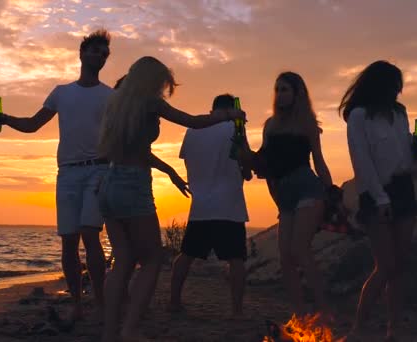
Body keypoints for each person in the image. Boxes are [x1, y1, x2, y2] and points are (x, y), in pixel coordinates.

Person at [97, 56, 245, 342]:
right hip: (133, 185)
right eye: (162, 84)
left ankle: (109, 333)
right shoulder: (150, 103)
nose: (163, 90)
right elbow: (192, 121)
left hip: (109, 184)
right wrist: (229, 115)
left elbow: (119, 151)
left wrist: (170, 171)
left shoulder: (115, 104)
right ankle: (129, 330)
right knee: (152, 259)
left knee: (124, 261)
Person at [0, 29, 112, 321]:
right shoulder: (62, 92)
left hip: (98, 169)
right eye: (94, 51)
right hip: (67, 173)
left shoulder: (111, 96)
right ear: (82, 54)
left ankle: (102, 302)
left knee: (91, 236)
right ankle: (78, 303)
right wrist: (5, 120)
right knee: (69, 241)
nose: (99, 56)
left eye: (104, 53)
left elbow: (122, 132)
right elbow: (33, 124)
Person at [338, 61, 417, 342]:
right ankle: (358, 329)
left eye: (399, 86)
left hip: (404, 188)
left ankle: (394, 329)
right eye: (393, 86)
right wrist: (380, 198)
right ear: (380, 85)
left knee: (399, 265)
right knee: (385, 265)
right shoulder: (359, 116)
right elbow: (362, 161)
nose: (398, 92)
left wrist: (416, 149)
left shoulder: (400, 113)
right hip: (375, 193)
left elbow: (405, 154)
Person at [246, 72, 333, 317]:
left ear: (297, 94)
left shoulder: (307, 125)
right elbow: (263, 163)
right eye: (277, 90)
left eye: (285, 90)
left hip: (307, 188)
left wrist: (332, 191)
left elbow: (319, 162)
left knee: (300, 249)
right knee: (285, 258)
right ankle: (300, 315)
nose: (280, 95)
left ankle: (324, 310)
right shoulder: (270, 125)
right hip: (284, 195)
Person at [168, 93, 251, 317]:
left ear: (212, 109)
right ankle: (236, 310)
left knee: (186, 255)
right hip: (230, 206)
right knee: (235, 259)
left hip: (201, 205)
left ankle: (174, 301)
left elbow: (188, 161)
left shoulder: (193, 130)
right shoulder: (235, 129)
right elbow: (246, 166)